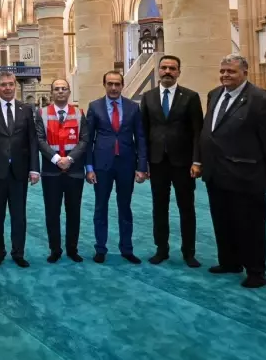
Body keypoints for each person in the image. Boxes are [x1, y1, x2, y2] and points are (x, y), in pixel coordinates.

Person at [200, 54, 266, 288]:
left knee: (250, 225)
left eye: (231, 71)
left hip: (247, 175)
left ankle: (256, 271)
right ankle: (229, 261)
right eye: (223, 71)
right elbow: (210, 131)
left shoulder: (261, 100)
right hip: (216, 173)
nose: (225, 75)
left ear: (245, 73)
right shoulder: (214, 95)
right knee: (222, 220)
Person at [140, 55, 205, 267]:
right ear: (158, 71)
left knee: (186, 208)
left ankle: (189, 252)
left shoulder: (191, 97)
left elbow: (198, 132)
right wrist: (143, 163)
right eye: (164, 67)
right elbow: (143, 132)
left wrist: (197, 161)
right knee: (159, 207)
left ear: (179, 71)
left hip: (184, 163)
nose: (168, 71)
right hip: (157, 162)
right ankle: (161, 249)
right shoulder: (147, 97)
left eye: (172, 68)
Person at [84, 70, 148, 264]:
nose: (113, 87)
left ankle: (126, 249)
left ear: (122, 85)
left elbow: (141, 138)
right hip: (102, 165)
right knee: (100, 207)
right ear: (104, 85)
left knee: (125, 207)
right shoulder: (94, 107)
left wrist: (142, 166)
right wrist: (89, 167)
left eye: (117, 84)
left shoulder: (133, 108)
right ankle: (100, 248)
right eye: (110, 84)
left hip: (126, 165)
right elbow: (88, 140)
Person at [0, 72, 39, 267]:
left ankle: (18, 252)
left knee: (19, 215)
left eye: (10, 84)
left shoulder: (26, 109)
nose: (7, 88)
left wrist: (34, 169)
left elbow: (32, 141)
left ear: (15, 86)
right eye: (3, 85)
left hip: (19, 171)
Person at [34, 78, 89, 263]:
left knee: (74, 212)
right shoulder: (41, 114)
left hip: (74, 172)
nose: (60, 91)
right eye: (56, 89)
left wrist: (70, 159)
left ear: (69, 92)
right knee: (52, 212)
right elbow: (39, 140)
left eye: (63, 88)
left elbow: (84, 140)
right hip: (51, 172)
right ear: (51, 92)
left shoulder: (79, 114)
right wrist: (57, 159)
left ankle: (72, 249)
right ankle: (55, 250)